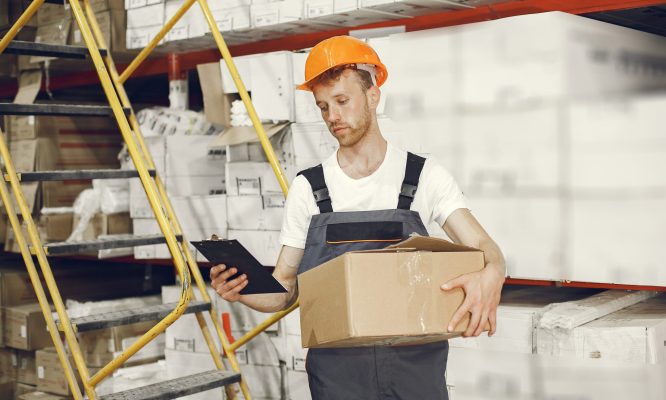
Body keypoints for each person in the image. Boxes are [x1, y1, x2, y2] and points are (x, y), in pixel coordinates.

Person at [210, 35, 506, 400]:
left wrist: (493, 271)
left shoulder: (423, 176)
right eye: (322, 107)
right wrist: (243, 291)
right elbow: (285, 289)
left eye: (342, 101)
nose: (332, 117)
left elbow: (482, 244)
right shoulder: (309, 188)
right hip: (338, 376)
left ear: (373, 94)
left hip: (415, 369)